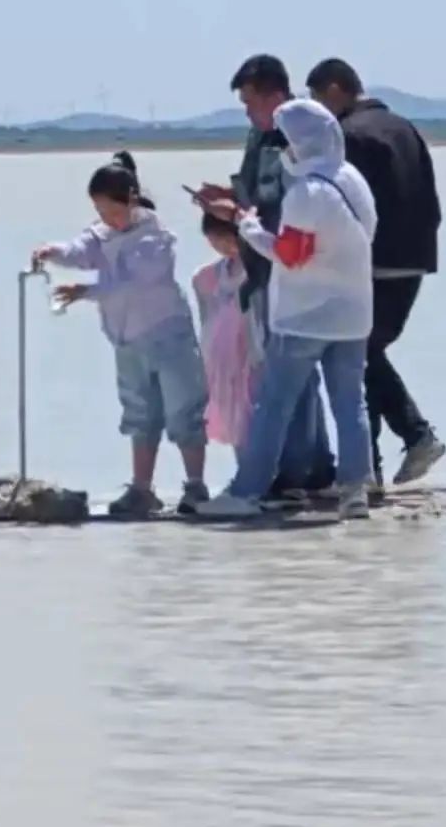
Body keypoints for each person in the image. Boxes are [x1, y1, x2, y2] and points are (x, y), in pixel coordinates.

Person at [197, 99, 377, 520]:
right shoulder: (352, 179)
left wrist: (247, 227)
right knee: (351, 404)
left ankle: (247, 491)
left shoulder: (306, 193)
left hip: (305, 317)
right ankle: (355, 492)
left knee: (273, 406)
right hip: (353, 314)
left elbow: (291, 255)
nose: (282, 151)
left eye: (285, 143)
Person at [32, 151, 208, 519]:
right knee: (139, 414)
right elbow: (80, 251)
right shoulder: (101, 234)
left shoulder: (155, 237)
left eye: (112, 211)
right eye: (100, 211)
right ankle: (142, 489)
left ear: (130, 200)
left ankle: (195, 486)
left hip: (168, 336)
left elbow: (132, 283)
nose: (106, 219)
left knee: (183, 411)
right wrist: (53, 252)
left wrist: (85, 291)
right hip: (127, 341)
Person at [197, 54, 336, 494]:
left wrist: (238, 213)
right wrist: (229, 197)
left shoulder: (297, 136)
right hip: (262, 265)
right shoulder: (259, 136)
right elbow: (256, 192)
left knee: (289, 374)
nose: (247, 113)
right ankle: (312, 466)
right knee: (290, 373)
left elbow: (281, 204)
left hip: (288, 266)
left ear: (275, 96)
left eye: (250, 102)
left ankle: (296, 471)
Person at [307, 58, 445, 487]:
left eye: (317, 101)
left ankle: (405, 443)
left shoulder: (349, 135)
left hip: (373, 260)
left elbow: (346, 207)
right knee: (365, 354)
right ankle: (372, 467)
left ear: (334, 90)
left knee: (352, 354)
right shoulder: (404, 127)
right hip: (414, 257)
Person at [192, 212, 259, 453]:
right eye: (214, 241)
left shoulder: (258, 271)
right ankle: (245, 468)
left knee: (255, 411)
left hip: (252, 355)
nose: (222, 246)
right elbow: (206, 320)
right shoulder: (207, 276)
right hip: (223, 362)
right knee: (234, 416)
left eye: (226, 238)